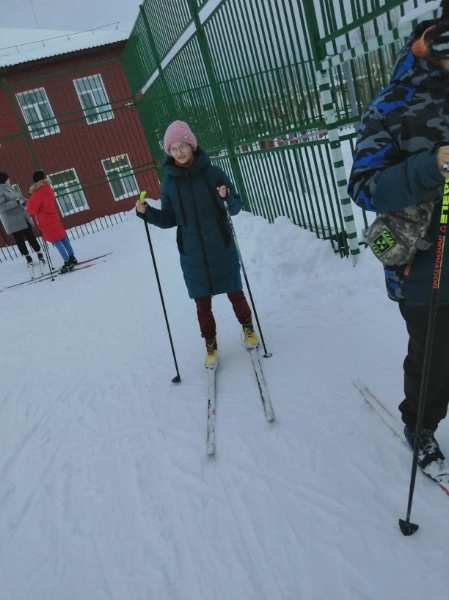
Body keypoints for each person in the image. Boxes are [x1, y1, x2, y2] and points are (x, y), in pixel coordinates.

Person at [348, 0, 449, 471]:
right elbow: (365, 187)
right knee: (435, 361)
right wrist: (433, 166)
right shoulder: (392, 105)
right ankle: (420, 424)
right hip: (424, 267)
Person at [135, 120, 258, 367]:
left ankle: (248, 328)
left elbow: (234, 207)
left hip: (220, 244)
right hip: (191, 252)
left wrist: (227, 197)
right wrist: (147, 212)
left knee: (235, 292)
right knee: (202, 303)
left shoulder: (214, 173)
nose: (179, 152)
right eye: (173, 148)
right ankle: (210, 344)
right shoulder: (169, 183)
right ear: (168, 152)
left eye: (182, 146)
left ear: (192, 145)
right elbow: (170, 218)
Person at [27, 170, 78, 273]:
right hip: (53, 217)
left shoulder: (37, 193)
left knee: (56, 241)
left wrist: (30, 197)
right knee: (62, 238)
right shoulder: (48, 189)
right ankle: (72, 256)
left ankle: (67, 261)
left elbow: (31, 209)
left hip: (45, 220)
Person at [0, 171, 44, 266]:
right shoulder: (1, 191)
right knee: (19, 240)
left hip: (22, 217)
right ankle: (28, 258)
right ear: (3, 180)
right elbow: (1, 207)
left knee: (31, 237)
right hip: (13, 220)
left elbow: (19, 199)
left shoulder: (9, 188)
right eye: (8, 178)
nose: (9, 179)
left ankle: (39, 253)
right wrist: (17, 202)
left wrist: (27, 200)